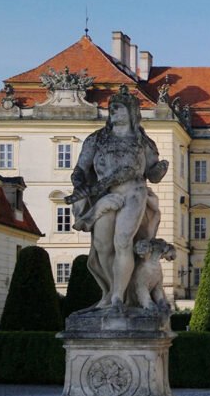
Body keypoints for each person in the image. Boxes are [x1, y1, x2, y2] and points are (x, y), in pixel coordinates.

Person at [65, 85, 168, 311]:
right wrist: (80, 184)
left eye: (119, 108)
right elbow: (80, 170)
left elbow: (152, 174)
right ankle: (111, 290)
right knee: (102, 246)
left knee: (122, 242)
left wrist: (160, 169)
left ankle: (118, 299)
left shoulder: (143, 142)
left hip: (133, 193)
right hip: (105, 195)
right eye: (111, 108)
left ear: (131, 113)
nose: (113, 112)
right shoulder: (97, 140)